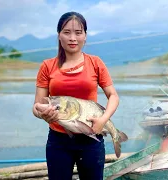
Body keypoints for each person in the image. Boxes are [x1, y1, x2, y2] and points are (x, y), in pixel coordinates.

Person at [32, 11, 119, 179]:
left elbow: (113, 96)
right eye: (67, 32)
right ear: (59, 35)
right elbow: (36, 106)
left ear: (85, 36)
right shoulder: (47, 66)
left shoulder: (95, 63)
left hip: (91, 140)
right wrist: (43, 115)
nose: (73, 38)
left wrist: (102, 120)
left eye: (78, 33)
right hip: (58, 142)